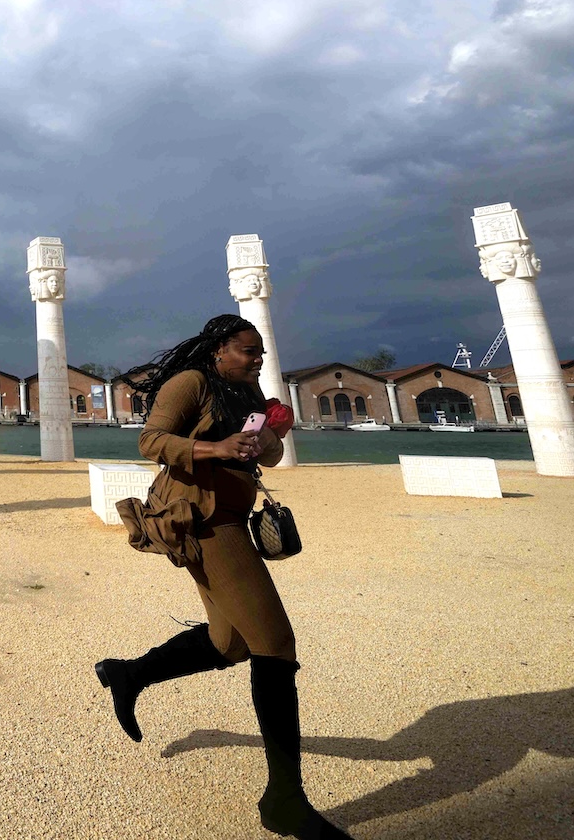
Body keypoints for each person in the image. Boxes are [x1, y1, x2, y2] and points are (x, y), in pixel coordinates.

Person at [96, 313, 352, 840]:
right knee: (275, 644)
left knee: (230, 643)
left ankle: (130, 674)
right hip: (202, 520)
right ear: (218, 350)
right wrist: (214, 448)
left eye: (259, 353)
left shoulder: (250, 390)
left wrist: (268, 439)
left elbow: (272, 457)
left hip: (233, 514)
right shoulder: (191, 383)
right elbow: (151, 440)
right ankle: (284, 800)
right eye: (247, 351)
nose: (257, 359)